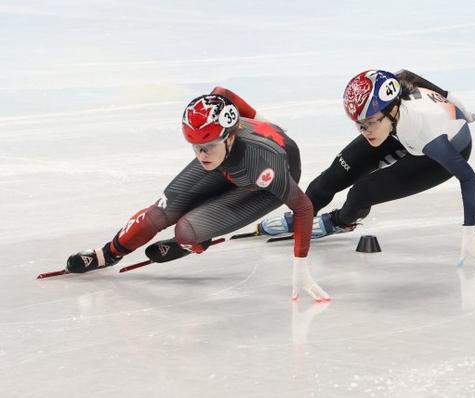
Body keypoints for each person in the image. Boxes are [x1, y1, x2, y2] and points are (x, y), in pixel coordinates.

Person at [66, 88, 330, 301]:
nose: (201, 155)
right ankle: (107, 254)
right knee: (157, 215)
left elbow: (303, 207)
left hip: (262, 186)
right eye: (195, 147)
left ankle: (194, 242)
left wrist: (300, 266)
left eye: (208, 147)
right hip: (228, 164)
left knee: (187, 229)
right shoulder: (214, 144)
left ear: (228, 137)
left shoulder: (262, 163)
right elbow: (222, 92)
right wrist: (264, 120)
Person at [259, 69, 475, 267]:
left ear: (392, 110)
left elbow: (468, 178)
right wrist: (451, 97)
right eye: (359, 125)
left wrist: (469, 234)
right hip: (398, 129)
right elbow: (405, 74)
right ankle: (302, 215)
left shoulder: (427, 134)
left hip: (436, 155)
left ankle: (341, 222)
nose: (365, 131)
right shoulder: (385, 106)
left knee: (362, 191)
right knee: (331, 178)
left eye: (370, 123)